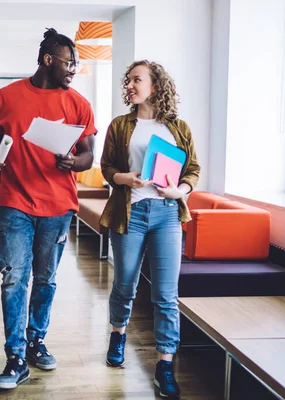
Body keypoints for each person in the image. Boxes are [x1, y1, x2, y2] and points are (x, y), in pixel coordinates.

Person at [0, 28, 97, 389]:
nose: (74, 68)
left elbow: (88, 155)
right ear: (48, 60)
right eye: (70, 61)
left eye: (77, 63)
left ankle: (35, 341)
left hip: (57, 205)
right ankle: (15, 356)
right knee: (15, 276)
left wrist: (74, 162)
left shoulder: (78, 103)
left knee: (46, 279)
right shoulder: (7, 96)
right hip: (14, 201)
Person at [100, 60, 200, 398]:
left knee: (166, 295)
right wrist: (125, 178)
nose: (129, 85)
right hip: (131, 213)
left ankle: (165, 365)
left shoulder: (178, 127)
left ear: (155, 85)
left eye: (136, 79)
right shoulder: (120, 125)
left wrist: (180, 190)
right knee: (125, 284)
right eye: (127, 80)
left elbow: (193, 169)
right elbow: (106, 167)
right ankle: (117, 334)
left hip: (167, 214)